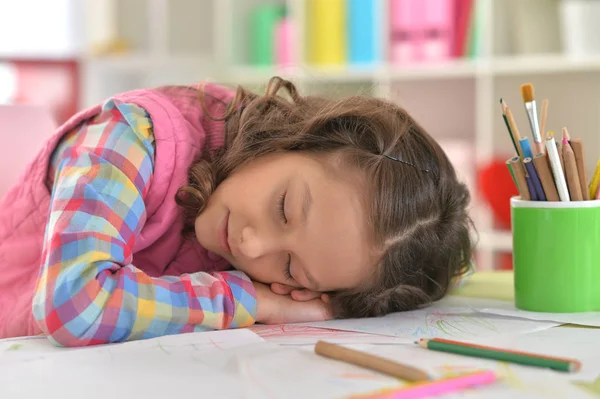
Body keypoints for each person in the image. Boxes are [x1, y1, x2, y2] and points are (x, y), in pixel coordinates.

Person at [0, 77, 473, 347]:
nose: (251, 245)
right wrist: (254, 302)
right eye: (284, 208)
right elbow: (75, 305)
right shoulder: (132, 135)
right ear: (297, 137)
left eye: (290, 268)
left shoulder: (259, 211)